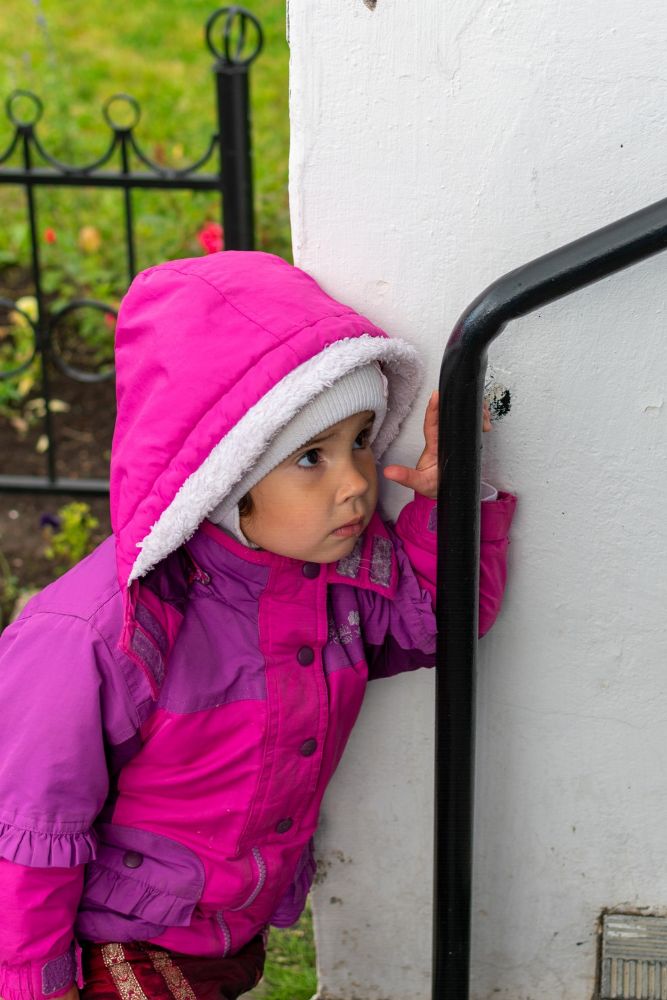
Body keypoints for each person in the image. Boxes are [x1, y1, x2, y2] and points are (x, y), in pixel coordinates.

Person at [0, 251, 516, 1000]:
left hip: (225, 933)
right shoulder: (95, 635)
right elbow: (31, 831)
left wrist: (449, 498)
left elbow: (438, 621)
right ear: (221, 475)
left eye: (360, 441)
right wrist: (35, 986)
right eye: (310, 458)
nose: (355, 483)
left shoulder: (333, 581)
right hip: (114, 946)